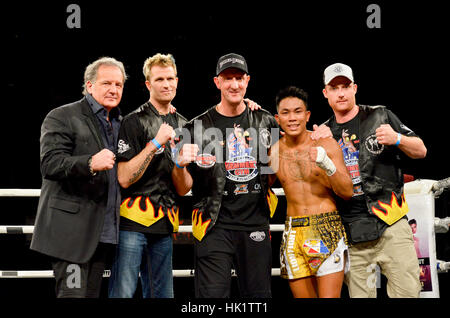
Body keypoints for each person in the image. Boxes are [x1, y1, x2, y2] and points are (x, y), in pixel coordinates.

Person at [313, 62, 427, 298]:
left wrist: (397, 139)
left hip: (391, 225)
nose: (341, 93)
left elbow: (421, 150)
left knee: (408, 293)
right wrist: (318, 145)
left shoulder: (380, 115)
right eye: (334, 88)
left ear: (355, 88)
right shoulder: (322, 133)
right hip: (351, 233)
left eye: (345, 86)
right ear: (325, 93)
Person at [172, 53, 279, 298]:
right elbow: (182, 189)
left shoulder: (266, 121)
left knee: (258, 300)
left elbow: (272, 174)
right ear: (217, 82)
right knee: (211, 300)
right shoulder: (195, 128)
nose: (234, 84)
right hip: (213, 227)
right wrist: (178, 165)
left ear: (247, 81)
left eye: (239, 78)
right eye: (227, 78)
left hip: (255, 224)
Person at [30, 57, 127, 298]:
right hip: (72, 235)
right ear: (89, 85)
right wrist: (89, 163)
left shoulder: (120, 123)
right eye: (106, 83)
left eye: (119, 84)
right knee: (73, 295)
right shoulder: (62, 116)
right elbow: (49, 164)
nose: (114, 89)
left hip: (104, 233)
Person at [108, 53, 187, 298]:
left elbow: (183, 189)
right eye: (160, 79)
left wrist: (181, 165)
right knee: (122, 294)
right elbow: (123, 177)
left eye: (170, 78)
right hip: (132, 225)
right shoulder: (133, 121)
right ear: (148, 84)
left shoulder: (183, 124)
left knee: (162, 295)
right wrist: (154, 143)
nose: (166, 84)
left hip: (165, 226)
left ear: (177, 81)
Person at [269, 86, 353, 298]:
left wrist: (327, 164)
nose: (292, 118)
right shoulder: (273, 152)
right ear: (277, 119)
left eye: (298, 111)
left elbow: (347, 191)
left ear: (307, 116)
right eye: (286, 113)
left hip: (326, 226)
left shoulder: (326, 143)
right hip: (292, 233)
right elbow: (259, 186)